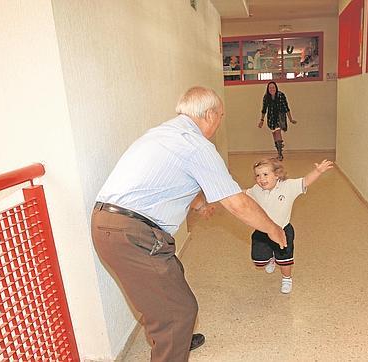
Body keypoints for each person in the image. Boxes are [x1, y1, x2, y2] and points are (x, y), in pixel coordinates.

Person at [91, 86, 286, 362]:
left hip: (110, 225)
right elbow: (236, 202)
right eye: (220, 116)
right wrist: (273, 228)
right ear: (208, 114)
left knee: (168, 281)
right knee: (179, 311)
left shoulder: (164, 133)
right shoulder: (197, 145)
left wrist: (196, 204)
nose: (219, 122)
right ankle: (173, 333)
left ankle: (173, 336)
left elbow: (165, 178)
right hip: (132, 233)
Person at [246, 157, 334, 293]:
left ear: (276, 175)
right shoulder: (256, 190)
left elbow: (305, 181)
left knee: (285, 259)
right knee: (259, 261)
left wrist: (318, 171)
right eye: (258, 175)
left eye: (265, 174)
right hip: (262, 231)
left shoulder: (288, 186)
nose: (261, 179)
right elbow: (243, 194)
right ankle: (270, 258)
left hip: (282, 230)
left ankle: (287, 278)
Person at [259, 82, 296, 161]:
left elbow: (286, 108)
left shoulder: (281, 95)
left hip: (279, 118)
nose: (272, 89)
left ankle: (280, 154)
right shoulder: (266, 97)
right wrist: (261, 120)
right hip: (271, 119)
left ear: (276, 88)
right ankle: (279, 151)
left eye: (273, 87)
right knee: (274, 135)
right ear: (268, 89)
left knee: (278, 132)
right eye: (270, 88)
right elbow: (264, 109)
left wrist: (290, 119)